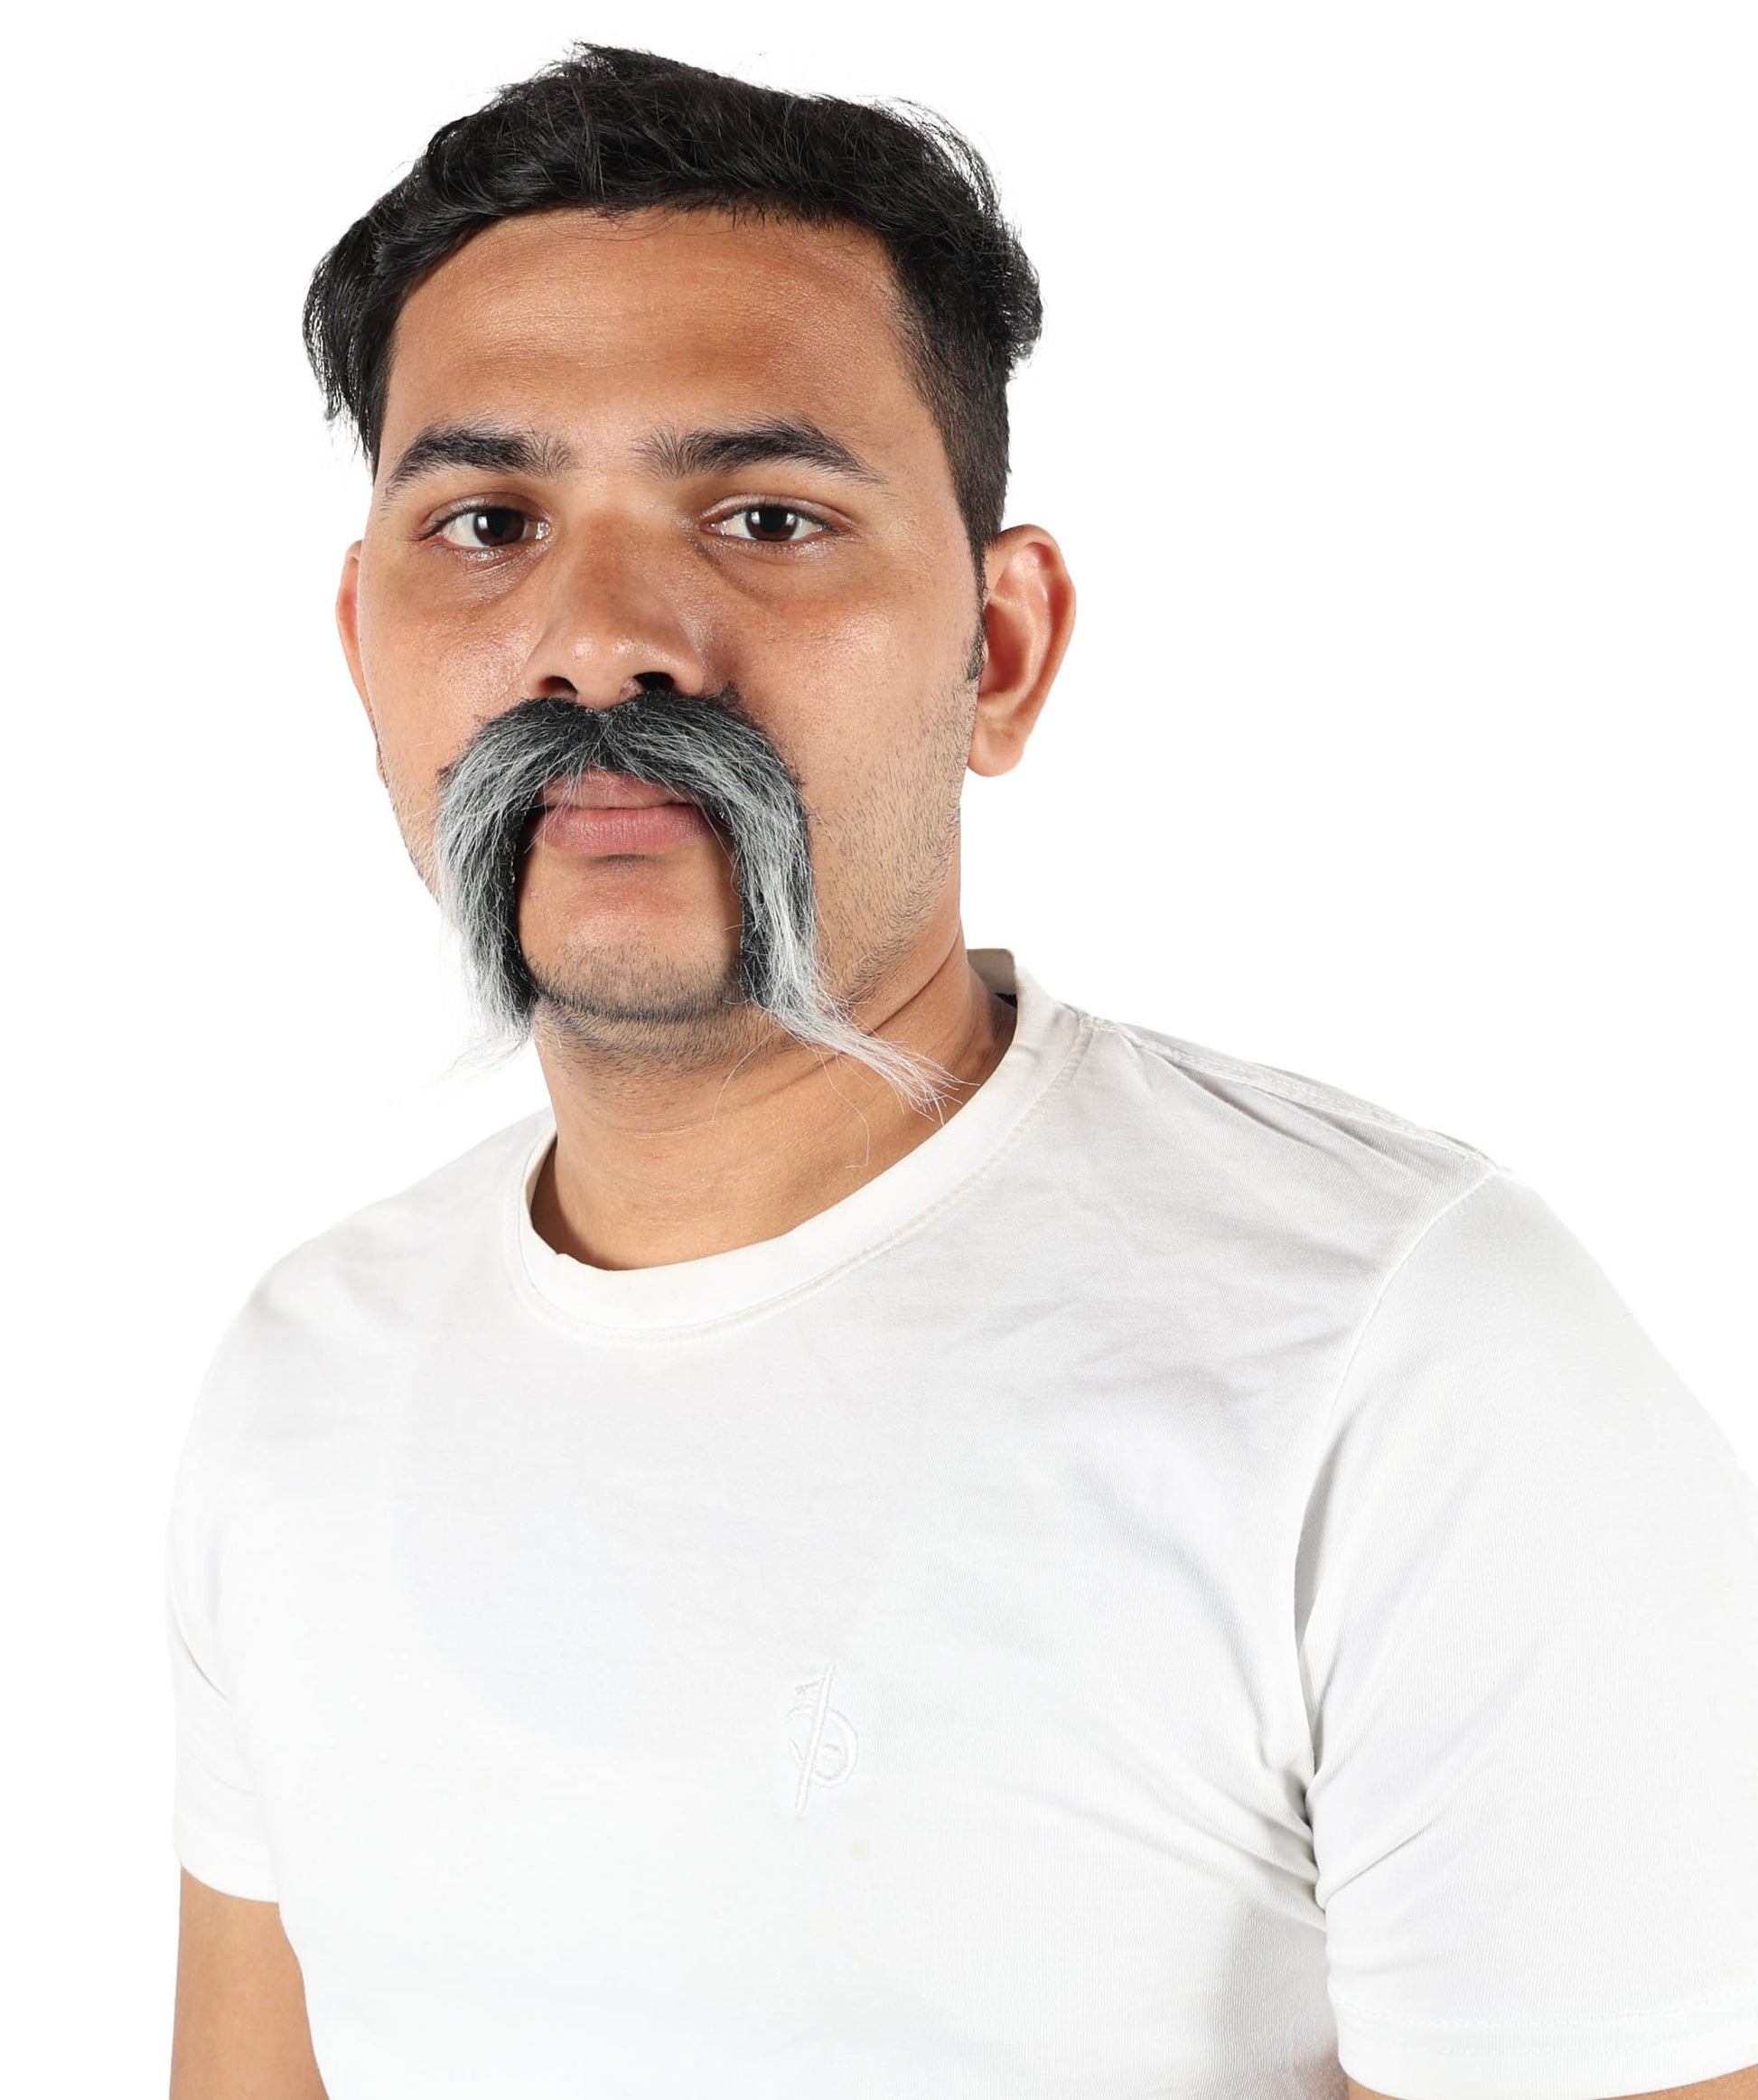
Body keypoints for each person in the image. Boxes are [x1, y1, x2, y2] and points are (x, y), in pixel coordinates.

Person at [164, 41, 1758, 2100]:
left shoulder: (1405, 1360)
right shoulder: (299, 1375)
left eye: (764, 515)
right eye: (485, 521)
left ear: (997, 651)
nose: (603, 638)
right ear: (361, 644)